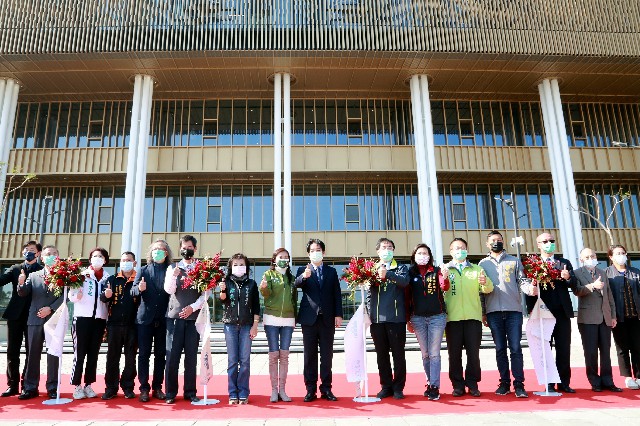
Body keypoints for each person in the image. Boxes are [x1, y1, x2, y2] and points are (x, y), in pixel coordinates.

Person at [524, 232, 577, 393]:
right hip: (542, 313)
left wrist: (568, 277)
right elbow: (528, 288)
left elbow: (574, 284)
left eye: (551, 241)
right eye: (545, 241)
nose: (549, 243)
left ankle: (564, 383)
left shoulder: (564, 262)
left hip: (562, 312)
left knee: (563, 348)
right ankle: (548, 382)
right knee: (544, 349)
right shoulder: (532, 263)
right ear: (538, 244)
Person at [479, 231, 528, 398]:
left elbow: (522, 281)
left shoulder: (514, 261)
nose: (496, 242)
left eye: (499, 240)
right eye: (493, 240)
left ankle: (519, 384)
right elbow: (480, 292)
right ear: (487, 244)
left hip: (514, 310)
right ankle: (504, 382)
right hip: (493, 312)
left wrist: (531, 288)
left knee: (515, 348)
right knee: (500, 349)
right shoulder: (482, 264)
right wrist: (483, 312)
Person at [295, 238, 343, 402]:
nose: (315, 253)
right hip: (309, 320)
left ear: (323, 252)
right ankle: (310, 389)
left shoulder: (331, 271)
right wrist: (304, 277)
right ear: (308, 254)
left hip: (327, 320)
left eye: (318, 250)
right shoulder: (303, 269)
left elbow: (337, 293)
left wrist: (339, 314)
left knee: (327, 355)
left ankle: (326, 388)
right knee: (309, 356)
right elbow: (296, 285)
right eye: (312, 251)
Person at [444, 238, 493, 397]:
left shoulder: (477, 269)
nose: (460, 250)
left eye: (462, 248)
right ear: (451, 252)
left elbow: (488, 288)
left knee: (473, 353)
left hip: (473, 317)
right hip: (452, 319)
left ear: (467, 250)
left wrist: (484, 282)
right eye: (456, 248)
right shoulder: (445, 270)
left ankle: (472, 384)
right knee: (454, 354)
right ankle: (457, 385)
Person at [16, 245, 63, 400]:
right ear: (41, 257)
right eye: (48, 254)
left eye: (54, 254)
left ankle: (53, 387)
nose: (51, 256)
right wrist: (21, 283)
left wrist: (51, 308)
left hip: (54, 319)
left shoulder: (64, 275)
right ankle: (30, 388)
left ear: (58, 256)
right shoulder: (34, 275)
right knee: (33, 355)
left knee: (53, 355)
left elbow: (66, 296)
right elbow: (23, 293)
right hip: (35, 319)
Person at [163, 235, 205, 404]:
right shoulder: (173, 267)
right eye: (183, 247)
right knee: (172, 357)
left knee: (191, 358)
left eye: (189, 247)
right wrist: (173, 276)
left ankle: (190, 392)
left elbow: (205, 295)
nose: (186, 250)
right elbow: (168, 290)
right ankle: (170, 393)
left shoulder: (202, 269)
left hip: (193, 319)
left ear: (195, 249)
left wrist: (192, 308)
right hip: (174, 318)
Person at [573, 247, 621, 392]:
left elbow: (609, 296)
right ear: (581, 259)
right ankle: (595, 381)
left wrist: (613, 316)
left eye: (592, 255)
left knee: (606, 351)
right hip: (587, 319)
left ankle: (608, 381)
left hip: (605, 318)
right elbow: (577, 291)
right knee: (591, 352)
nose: (591, 258)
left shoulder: (602, 273)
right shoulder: (576, 273)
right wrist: (592, 286)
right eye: (587, 257)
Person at [406, 243, 449, 401]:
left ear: (430, 256)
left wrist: (444, 276)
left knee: (434, 353)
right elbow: (406, 297)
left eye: (425, 253)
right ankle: (429, 382)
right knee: (425, 354)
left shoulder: (436, 270)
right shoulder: (410, 273)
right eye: (419, 253)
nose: (422, 255)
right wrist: (407, 319)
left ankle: (435, 386)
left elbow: (444, 287)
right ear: (414, 255)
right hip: (417, 318)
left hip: (437, 317)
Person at [368, 237, 409, 400]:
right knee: (381, 355)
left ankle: (398, 387)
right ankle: (386, 386)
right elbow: (369, 293)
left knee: (398, 355)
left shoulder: (400, 268)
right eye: (384, 247)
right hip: (377, 320)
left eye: (390, 247)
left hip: (396, 320)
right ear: (378, 251)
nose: (387, 250)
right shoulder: (370, 269)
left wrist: (388, 274)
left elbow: (405, 282)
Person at [0, 240, 42, 397]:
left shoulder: (42, 270)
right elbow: (1, 280)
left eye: (31, 249)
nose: (28, 252)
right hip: (15, 316)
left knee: (31, 352)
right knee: (12, 351)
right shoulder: (16, 269)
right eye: (26, 249)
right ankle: (12, 385)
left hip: (34, 316)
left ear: (38, 253)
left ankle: (28, 385)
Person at [132, 239, 173, 402]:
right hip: (145, 320)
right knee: (143, 355)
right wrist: (139, 289)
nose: (158, 252)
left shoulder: (171, 270)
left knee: (161, 354)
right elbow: (133, 291)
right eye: (155, 250)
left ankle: (157, 387)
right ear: (151, 253)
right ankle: (143, 388)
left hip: (164, 319)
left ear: (166, 253)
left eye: (161, 250)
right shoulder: (143, 270)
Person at [68, 247, 110, 400]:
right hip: (82, 319)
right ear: (90, 259)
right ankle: (77, 386)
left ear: (105, 260)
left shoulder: (107, 278)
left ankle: (88, 385)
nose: (97, 258)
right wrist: (76, 295)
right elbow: (71, 296)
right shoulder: (82, 275)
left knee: (93, 354)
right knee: (79, 354)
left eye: (100, 256)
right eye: (94, 256)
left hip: (99, 320)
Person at [220, 253, 260, 405]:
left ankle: (243, 391)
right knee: (232, 360)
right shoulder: (226, 282)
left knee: (244, 360)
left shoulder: (251, 283)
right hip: (230, 325)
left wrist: (255, 325)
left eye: (241, 264)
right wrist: (222, 290)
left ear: (246, 267)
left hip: (246, 326)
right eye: (235, 264)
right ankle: (232, 393)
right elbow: (223, 301)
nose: (238, 267)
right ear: (230, 267)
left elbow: (256, 306)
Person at [100, 251, 140, 400]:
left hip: (132, 325)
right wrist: (106, 295)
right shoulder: (112, 279)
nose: (126, 262)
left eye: (129, 260)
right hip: (114, 325)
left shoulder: (139, 280)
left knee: (130, 358)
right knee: (112, 357)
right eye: (123, 260)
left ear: (134, 263)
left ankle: (128, 387)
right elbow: (103, 298)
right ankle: (111, 387)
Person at [260, 247, 297, 403]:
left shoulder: (291, 277)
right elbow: (266, 294)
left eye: (286, 257)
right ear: (274, 259)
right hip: (272, 319)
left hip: (288, 319)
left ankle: (283, 390)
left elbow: (295, 299)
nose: (284, 259)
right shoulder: (268, 275)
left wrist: (295, 316)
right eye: (281, 256)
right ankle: (274, 390)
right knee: (274, 355)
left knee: (285, 355)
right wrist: (263, 288)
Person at [605, 244, 640, 390]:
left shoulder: (635, 272)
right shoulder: (606, 273)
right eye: (617, 253)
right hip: (618, 317)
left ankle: (638, 376)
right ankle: (627, 377)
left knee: (638, 347)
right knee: (622, 347)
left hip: (636, 317)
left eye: (623, 253)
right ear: (611, 257)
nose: (621, 255)